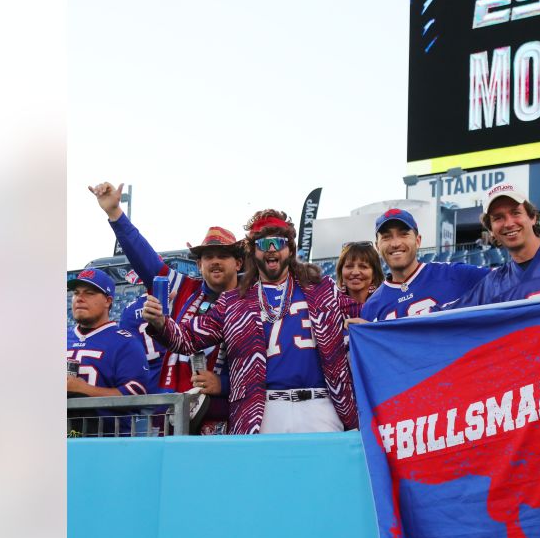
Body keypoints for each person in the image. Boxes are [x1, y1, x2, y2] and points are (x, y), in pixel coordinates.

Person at [144, 209, 357, 435]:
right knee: (264, 471)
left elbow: (369, 316)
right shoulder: (234, 301)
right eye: (264, 244)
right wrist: (160, 322)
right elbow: (187, 339)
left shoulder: (323, 290)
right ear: (253, 253)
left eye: (279, 242)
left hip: (321, 405)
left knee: (323, 470)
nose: (272, 249)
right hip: (261, 411)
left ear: (290, 249)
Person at [89, 181, 241, 433]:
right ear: (199, 264)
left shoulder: (252, 301)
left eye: (222, 255)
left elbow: (267, 366)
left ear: (238, 262)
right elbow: (143, 256)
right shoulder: (183, 288)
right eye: (207, 256)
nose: (214, 262)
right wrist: (115, 214)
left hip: (229, 421)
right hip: (172, 417)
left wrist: (223, 384)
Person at [359, 208, 490, 321]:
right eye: (386, 237)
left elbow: (506, 282)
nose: (395, 243)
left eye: (404, 234)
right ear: (377, 246)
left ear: (418, 240)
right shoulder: (371, 307)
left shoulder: (454, 274)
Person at [66, 268, 153, 435]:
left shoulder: (126, 343)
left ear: (108, 301)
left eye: (89, 293)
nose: (79, 299)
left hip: (109, 441)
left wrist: (84, 389)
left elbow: (135, 395)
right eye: (76, 293)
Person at [336, 241, 382, 312]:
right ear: (340, 271)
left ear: (374, 273)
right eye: (349, 266)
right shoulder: (329, 307)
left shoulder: (385, 304)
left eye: (363, 267)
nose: (355, 272)